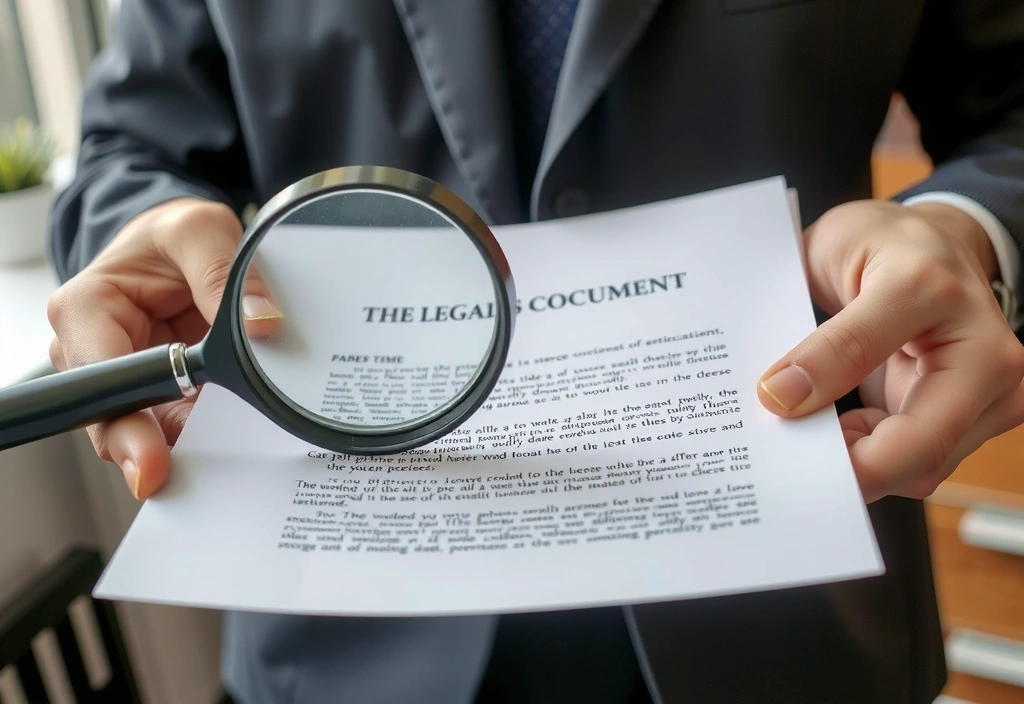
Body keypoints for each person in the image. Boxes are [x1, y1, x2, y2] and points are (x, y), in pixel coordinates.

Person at [46, 1, 1024, 702]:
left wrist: (965, 229)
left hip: (787, 619)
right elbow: (131, 150)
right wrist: (147, 236)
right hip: (345, 632)